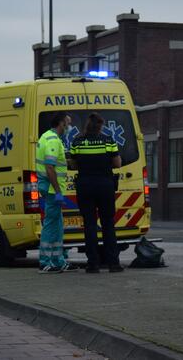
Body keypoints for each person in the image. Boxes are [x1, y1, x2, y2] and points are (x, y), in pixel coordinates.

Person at [69, 112, 124, 273]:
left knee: (90, 225)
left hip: (85, 186)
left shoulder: (77, 142)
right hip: (105, 186)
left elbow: (73, 165)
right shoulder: (108, 141)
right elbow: (117, 163)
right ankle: (113, 263)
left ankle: (93, 264)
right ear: (100, 126)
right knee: (108, 224)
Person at [37, 112, 75, 273]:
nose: (69, 126)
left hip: (49, 187)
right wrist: (58, 191)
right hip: (53, 189)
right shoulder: (53, 140)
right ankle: (45, 261)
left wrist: (68, 162)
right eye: (68, 123)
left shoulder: (46, 137)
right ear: (61, 123)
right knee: (51, 226)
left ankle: (58, 261)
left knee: (57, 226)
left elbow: (54, 163)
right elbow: (50, 167)